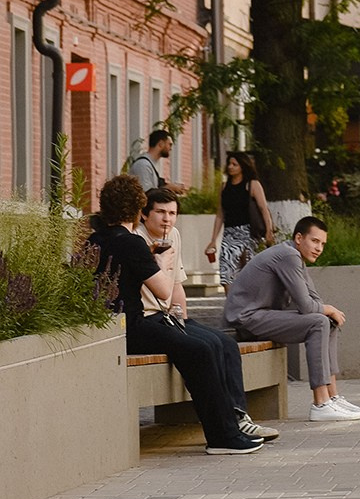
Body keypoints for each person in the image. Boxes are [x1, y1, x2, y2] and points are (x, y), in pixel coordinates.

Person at [90, 175, 263, 455]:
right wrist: (161, 261)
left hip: (112, 326)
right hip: (133, 326)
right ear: (138, 209)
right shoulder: (131, 242)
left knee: (207, 345)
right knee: (201, 350)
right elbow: (162, 292)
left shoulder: (96, 239)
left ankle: (229, 429)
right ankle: (222, 437)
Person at [138, 187, 280, 443]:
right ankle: (223, 425)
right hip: (147, 318)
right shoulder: (137, 240)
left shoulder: (174, 236)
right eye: (160, 212)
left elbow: (177, 283)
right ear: (144, 214)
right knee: (206, 346)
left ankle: (239, 416)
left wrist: (184, 319)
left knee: (226, 343)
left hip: (169, 316)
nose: (167, 219)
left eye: (172, 213)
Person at [223, 216, 360, 423]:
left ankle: (332, 397)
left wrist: (328, 312)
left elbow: (313, 297)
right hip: (245, 319)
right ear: (299, 238)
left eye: (323, 244)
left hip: (261, 315)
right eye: (315, 241)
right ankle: (320, 404)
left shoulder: (295, 256)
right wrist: (327, 309)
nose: (319, 248)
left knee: (327, 321)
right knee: (319, 321)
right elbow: (307, 306)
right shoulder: (288, 255)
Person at [205, 151, 274, 286]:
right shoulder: (224, 187)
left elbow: (263, 209)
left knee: (249, 269)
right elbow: (220, 214)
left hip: (249, 232)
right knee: (226, 269)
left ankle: (250, 302)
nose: (230, 167)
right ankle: (231, 304)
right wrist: (213, 240)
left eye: (234, 164)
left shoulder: (252, 184)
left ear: (242, 166)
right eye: (229, 164)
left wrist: (269, 230)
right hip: (229, 233)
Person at [128, 128, 178, 195]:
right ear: (161, 144)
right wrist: (168, 188)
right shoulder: (143, 165)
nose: (170, 148)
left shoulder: (150, 164)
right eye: (169, 144)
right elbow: (146, 193)